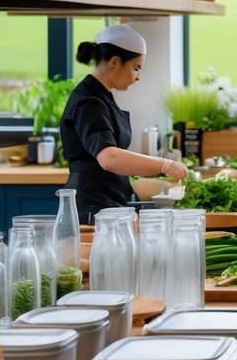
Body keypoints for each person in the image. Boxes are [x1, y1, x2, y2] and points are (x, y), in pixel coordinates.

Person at [59, 23, 187, 222]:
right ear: (115, 62)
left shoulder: (101, 96)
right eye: (136, 68)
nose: (138, 77)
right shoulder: (89, 102)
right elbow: (109, 158)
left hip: (105, 207)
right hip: (90, 210)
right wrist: (164, 164)